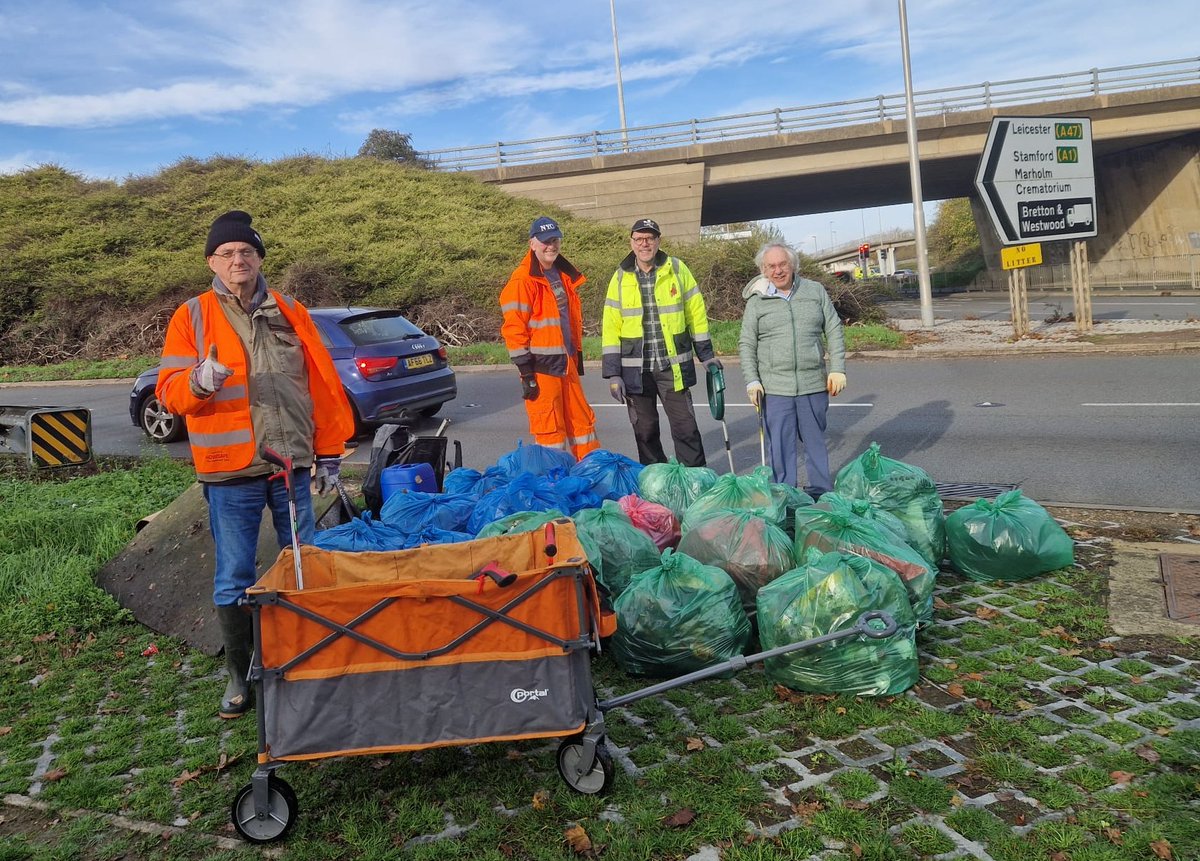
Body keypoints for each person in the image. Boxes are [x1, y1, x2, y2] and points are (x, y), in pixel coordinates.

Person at [156, 210, 354, 719]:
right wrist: (200, 381)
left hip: (290, 465)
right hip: (230, 471)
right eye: (227, 253)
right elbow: (169, 393)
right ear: (211, 262)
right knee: (235, 575)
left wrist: (329, 449)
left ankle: (304, 661)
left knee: (304, 565)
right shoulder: (192, 316)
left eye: (246, 251)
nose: (237, 260)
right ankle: (240, 677)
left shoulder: (290, 310)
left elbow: (322, 388)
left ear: (260, 258)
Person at [602, 218, 720, 467]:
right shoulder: (620, 277)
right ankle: (656, 481)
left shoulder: (677, 269)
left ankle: (695, 480)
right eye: (639, 239)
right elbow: (611, 326)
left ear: (658, 241)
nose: (645, 243)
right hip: (636, 370)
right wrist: (613, 374)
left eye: (650, 238)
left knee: (686, 428)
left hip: (672, 367)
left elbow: (696, 314)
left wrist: (706, 355)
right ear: (631, 243)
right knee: (645, 432)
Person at [738, 241, 846, 497]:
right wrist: (752, 380)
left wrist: (838, 368)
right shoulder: (757, 301)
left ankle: (822, 496)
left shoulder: (815, 291)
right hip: (775, 389)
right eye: (771, 266)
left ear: (793, 265)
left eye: (782, 264)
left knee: (816, 445)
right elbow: (746, 342)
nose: (777, 270)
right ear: (764, 270)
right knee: (781, 450)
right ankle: (785, 498)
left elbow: (833, 329)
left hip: (813, 384)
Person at [499, 216, 600, 459]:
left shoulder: (562, 275)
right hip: (542, 370)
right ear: (532, 244)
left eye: (555, 240)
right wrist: (526, 373)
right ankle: (554, 487)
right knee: (550, 433)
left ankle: (590, 476)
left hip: (566, 363)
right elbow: (514, 330)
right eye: (545, 241)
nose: (551, 246)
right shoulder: (523, 280)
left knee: (582, 424)